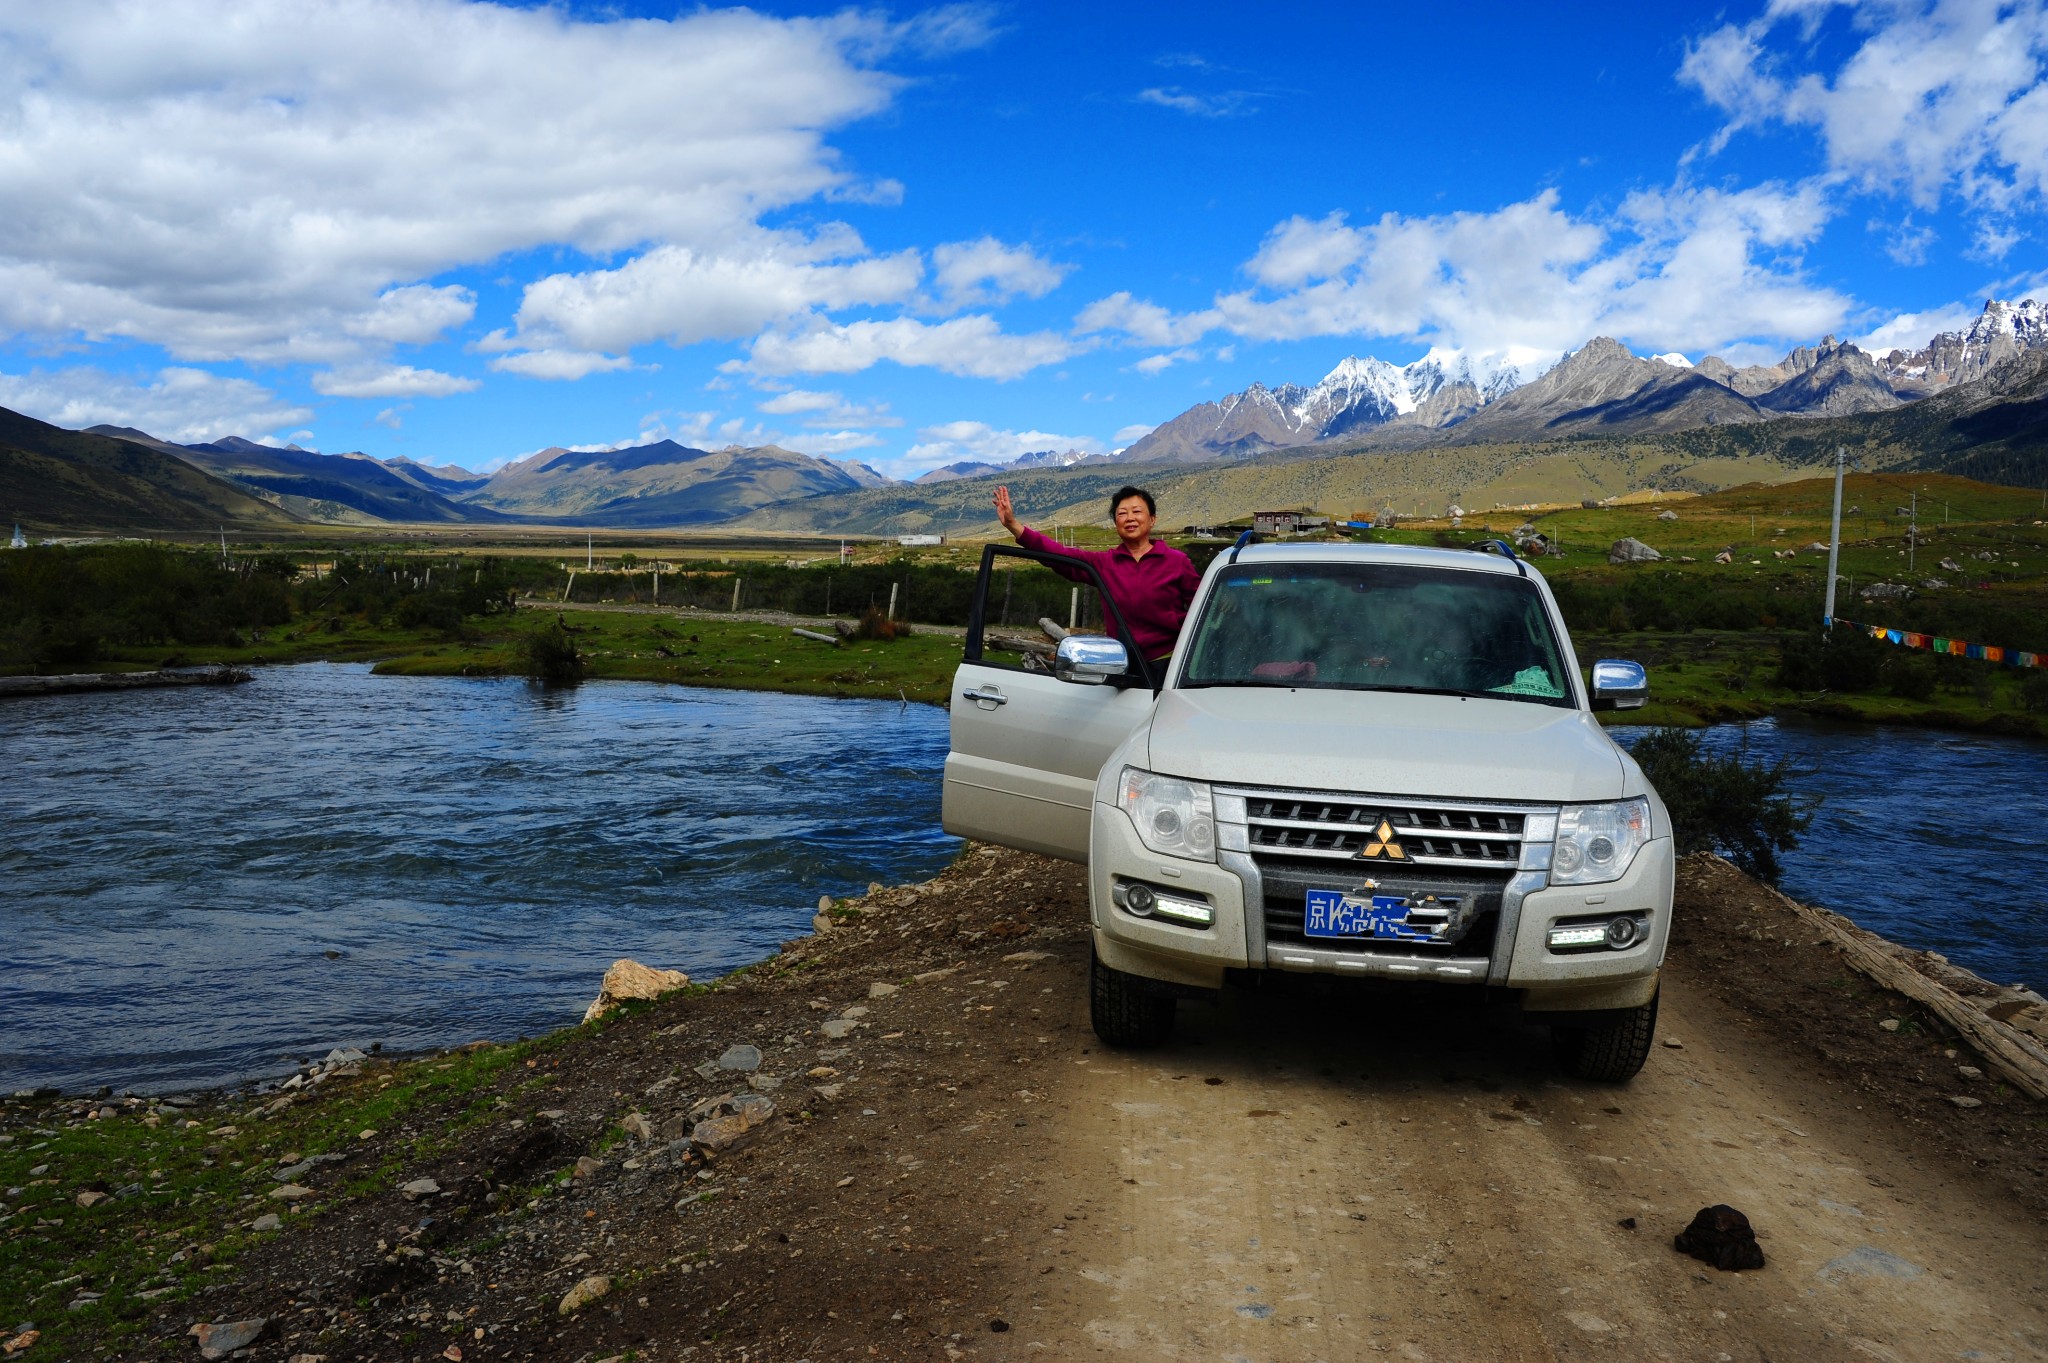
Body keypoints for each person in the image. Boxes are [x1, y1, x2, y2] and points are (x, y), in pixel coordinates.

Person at [994, 483, 1200, 663]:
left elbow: (1204, 610)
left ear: (1152, 519)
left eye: (1137, 512)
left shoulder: (1177, 562)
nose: (1129, 518)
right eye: (1122, 513)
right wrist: (1013, 525)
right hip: (1121, 662)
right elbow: (1057, 554)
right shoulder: (1104, 563)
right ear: (1115, 523)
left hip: (1170, 662)